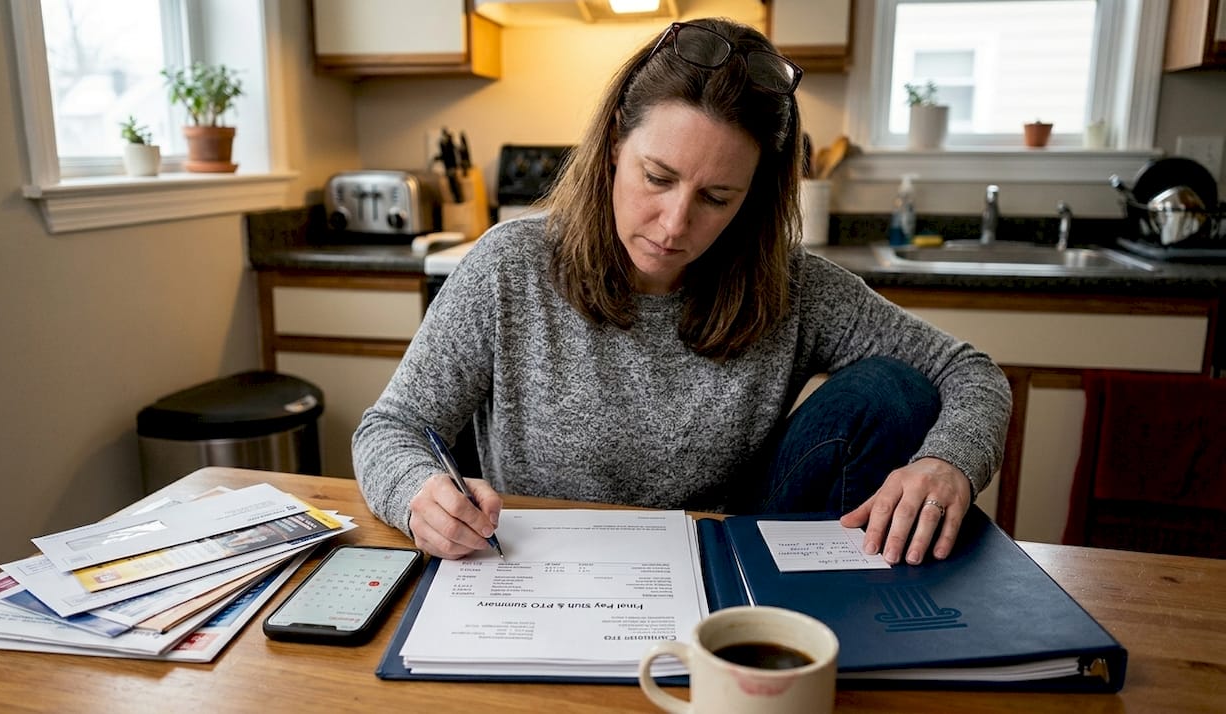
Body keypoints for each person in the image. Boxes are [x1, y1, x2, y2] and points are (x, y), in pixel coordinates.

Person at [353, 18, 1011, 568]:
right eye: (658, 177)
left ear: (752, 197)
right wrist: (418, 494)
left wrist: (948, 462)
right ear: (616, 143)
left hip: (722, 561)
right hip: (539, 564)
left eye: (716, 197)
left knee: (894, 393)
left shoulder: (793, 286)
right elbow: (390, 429)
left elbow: (972, 372)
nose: (674, 225)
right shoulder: (509, 266)